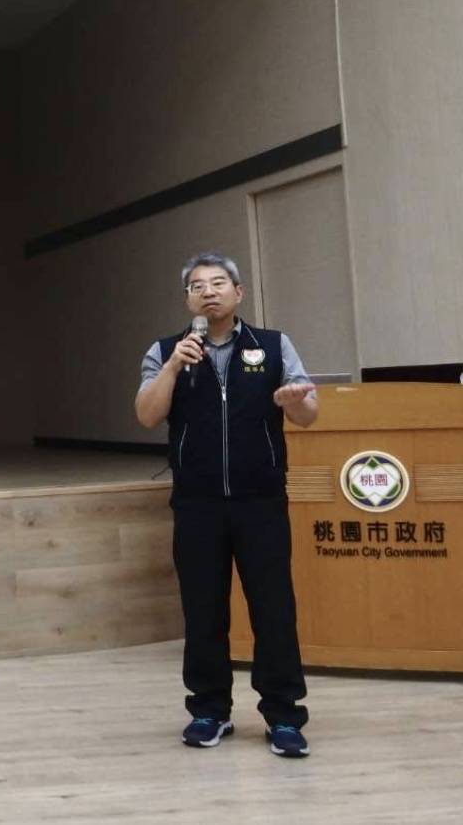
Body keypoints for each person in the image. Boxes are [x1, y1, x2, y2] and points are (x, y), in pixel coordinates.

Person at [134, 252, 318, 758]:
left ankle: (284, 716)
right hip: (197, 504)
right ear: (188, 300)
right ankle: (209, 710)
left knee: (274, 609)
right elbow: (147, 414)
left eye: (219, 283)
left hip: (261, 501)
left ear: (239, 292)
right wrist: (174, 365)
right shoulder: (166, 350)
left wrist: (296, 401)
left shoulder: (273, 346)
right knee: (203, 610)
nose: (209, 291)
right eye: (197, 286)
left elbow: (309, 413)